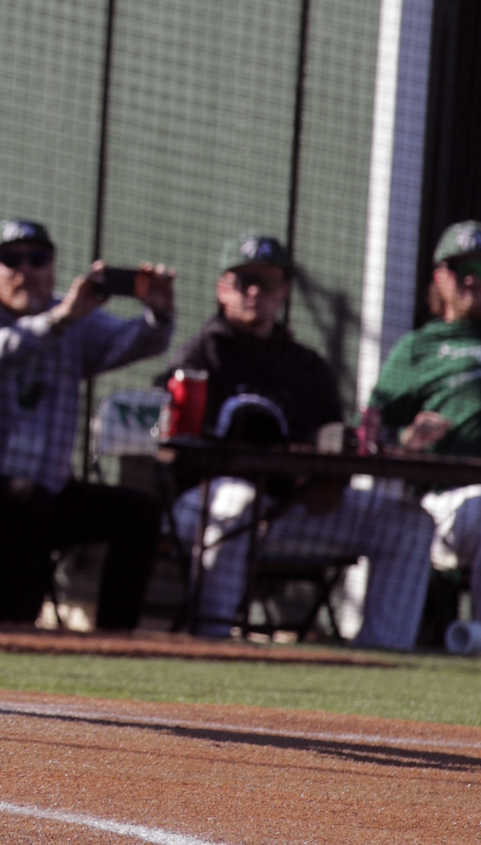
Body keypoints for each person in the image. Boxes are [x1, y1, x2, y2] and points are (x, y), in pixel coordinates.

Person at [166, 232, 433, 649]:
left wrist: (328, 479)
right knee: (239, 501)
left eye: (268, 282)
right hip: (204, 507)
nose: (256, 292)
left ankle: (381, 656)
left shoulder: (307, 365)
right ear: (222, 289)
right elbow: (180, 447)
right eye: (244, 281)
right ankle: (211, 642)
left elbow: (333, 440)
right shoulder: (200, 355)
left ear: (284, 291)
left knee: (408, 523)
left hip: (292, 509)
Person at [0, 219, 175, 629]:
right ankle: (19, 633)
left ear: (52, 267)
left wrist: (157, 313)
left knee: (137, 512)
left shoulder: (66, 314)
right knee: (27, 500)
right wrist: (60, 319)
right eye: (11, 260)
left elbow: (134, 342)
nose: (25, 270)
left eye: (38, 259)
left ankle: (114, 641)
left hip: (38, 490)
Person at [368, 221, 481, 642]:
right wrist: (408, 442)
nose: (473, 279)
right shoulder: (420, 347)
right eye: (460, 269)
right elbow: (371, 429)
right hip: (449, 506)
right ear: (439, 277)